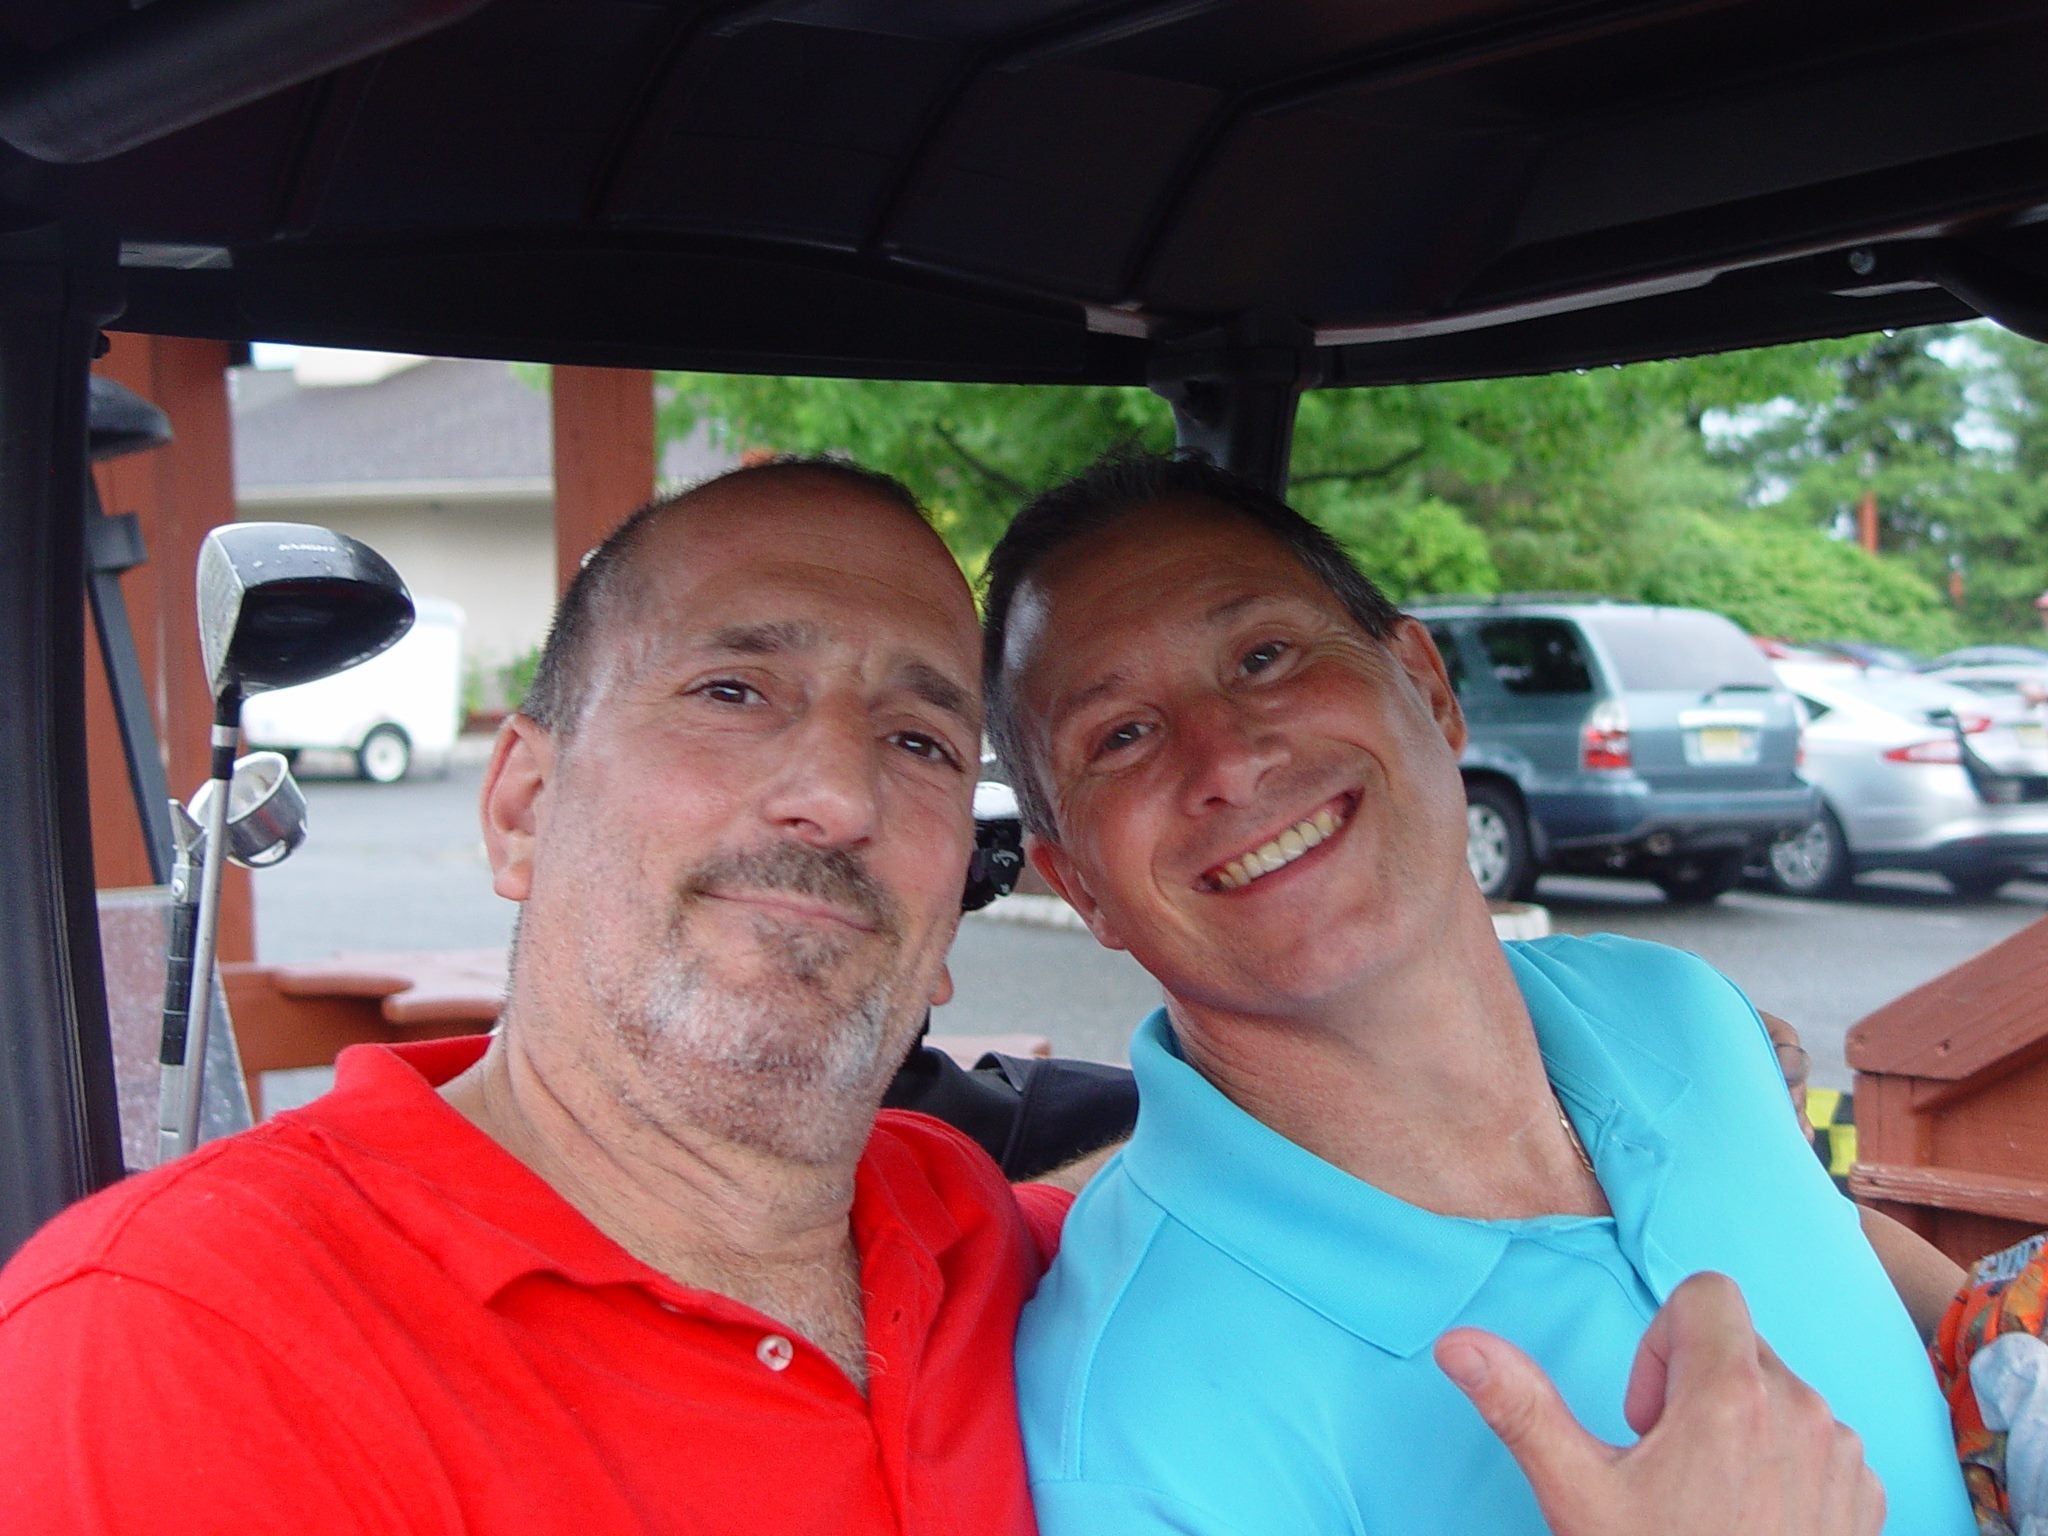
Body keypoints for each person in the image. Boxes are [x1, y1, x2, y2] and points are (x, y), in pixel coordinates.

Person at [0, 456, 1886, 1535]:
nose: (832, 792)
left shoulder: (963, 1246)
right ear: (518, 799)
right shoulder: (165, 1348)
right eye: (732, 689)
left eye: (917, 734)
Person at [982, 452, 1971, 1534]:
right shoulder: (1134, 1429)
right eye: (1119, 735)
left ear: (1425, 685)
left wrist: (1998, 1333)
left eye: (1262, 657)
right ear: (1082, 888)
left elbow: (1826, 1241)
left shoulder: (1678, 1010)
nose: (1226, 757)